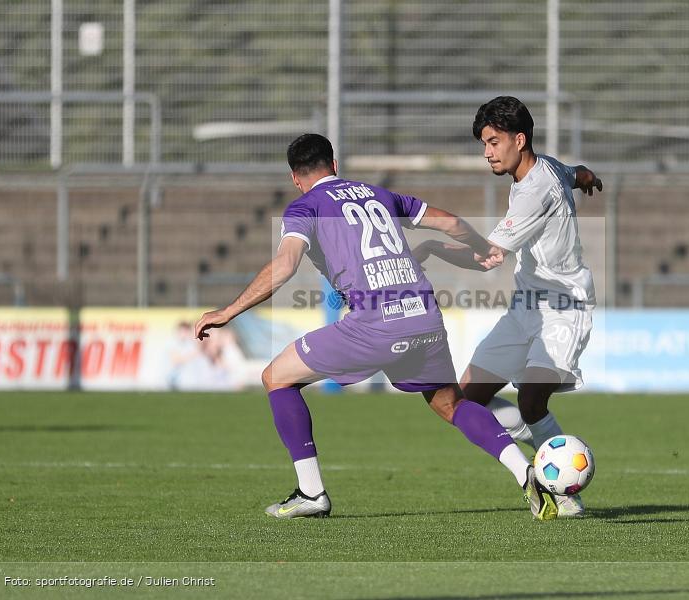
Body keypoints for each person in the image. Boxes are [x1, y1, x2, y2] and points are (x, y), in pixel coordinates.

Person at [194, 133, 559, 520]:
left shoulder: (305, 206)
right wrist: (484, 248)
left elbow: (284, 266)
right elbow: (450, 222)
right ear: (334, 165)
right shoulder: (379, 194)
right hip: (423, 313)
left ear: (295, 178)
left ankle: (311, 493)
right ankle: (525, 473)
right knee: (451, 404)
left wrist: (229, 311)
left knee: (276, 378)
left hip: (373, 323)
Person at [414, 96, 602, 518]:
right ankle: (546, 456)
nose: (487, 152)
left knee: (532, 399)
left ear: (519, 140)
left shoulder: (535, 191)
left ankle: (563, 491)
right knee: (467, 401)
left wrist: (431, 248)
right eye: (484, 143)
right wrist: (586, 175)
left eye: (493, 142)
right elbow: (573, 173)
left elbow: (488, 256)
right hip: (524, 308)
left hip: (564, 308)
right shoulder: (546, 167)